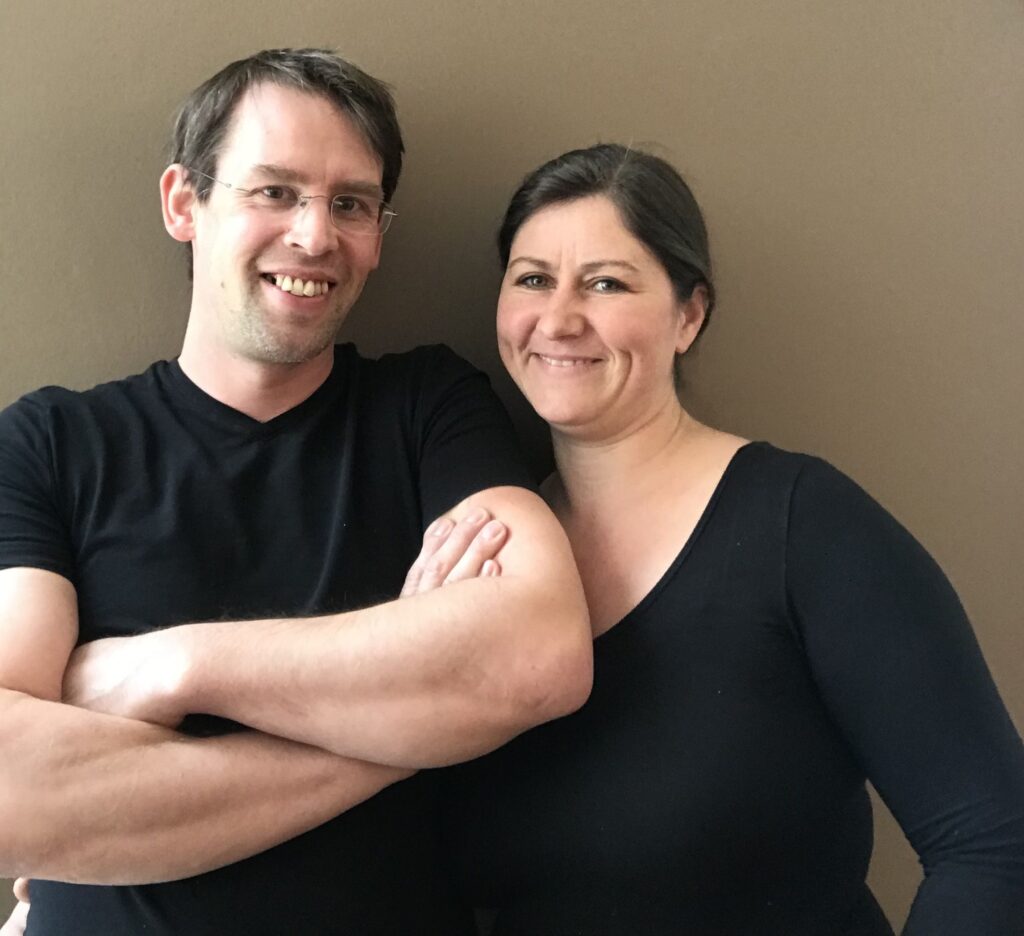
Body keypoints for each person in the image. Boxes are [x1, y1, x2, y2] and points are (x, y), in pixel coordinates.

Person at [0, 49, 592, 935]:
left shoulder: (429, 409)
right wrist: (410, 732)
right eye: (274, 191)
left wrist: (172, 667)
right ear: (183, 203)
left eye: (351, 203)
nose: (316, 237)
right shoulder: (50, 443)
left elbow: (540, 655)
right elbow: (12, 795)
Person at [441, 144, 1024, 935]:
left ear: (688, 316)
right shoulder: (480, 558)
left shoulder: (803, 526)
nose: (560, 318)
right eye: (533, 279)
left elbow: (995, 844)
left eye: (607, 283)